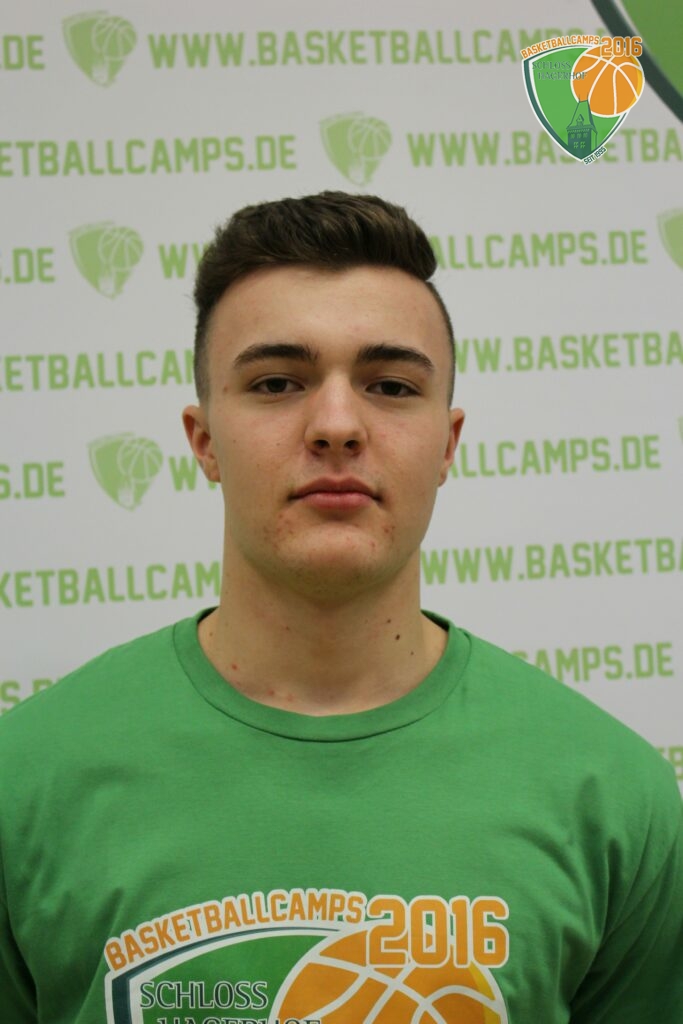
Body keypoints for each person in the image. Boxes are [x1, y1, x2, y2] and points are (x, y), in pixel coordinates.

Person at [0, 192, 681, 1024]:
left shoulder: (610, 796)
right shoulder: (23, 782)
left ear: (446, 444)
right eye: (276, 383)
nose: (335, 426)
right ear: (204, 440)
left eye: (389, 385)